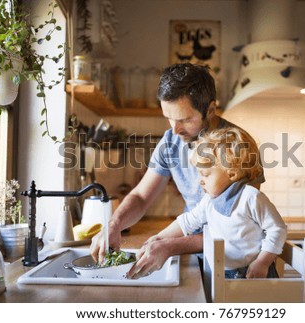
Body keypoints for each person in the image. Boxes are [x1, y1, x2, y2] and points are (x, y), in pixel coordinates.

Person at [90, 63, 265, 278]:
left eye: (185, 119)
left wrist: (172, 246)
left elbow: (238, 229)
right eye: (169, 117)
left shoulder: (238, 146)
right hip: (195, 255)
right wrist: (114, 224)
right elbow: (141, 196)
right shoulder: (171, 141)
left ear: (210, 110)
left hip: (236, 266)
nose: (175, 128)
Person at [146, 127, 287, 279]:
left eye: (205, 174)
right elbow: (187, 222)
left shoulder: (251, 197)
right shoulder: (209, 201)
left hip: (253, 273)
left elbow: (278, 229)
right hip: (222, 274)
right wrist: (158, 238)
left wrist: (263, 262)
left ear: (232, 173)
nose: (200, 180)